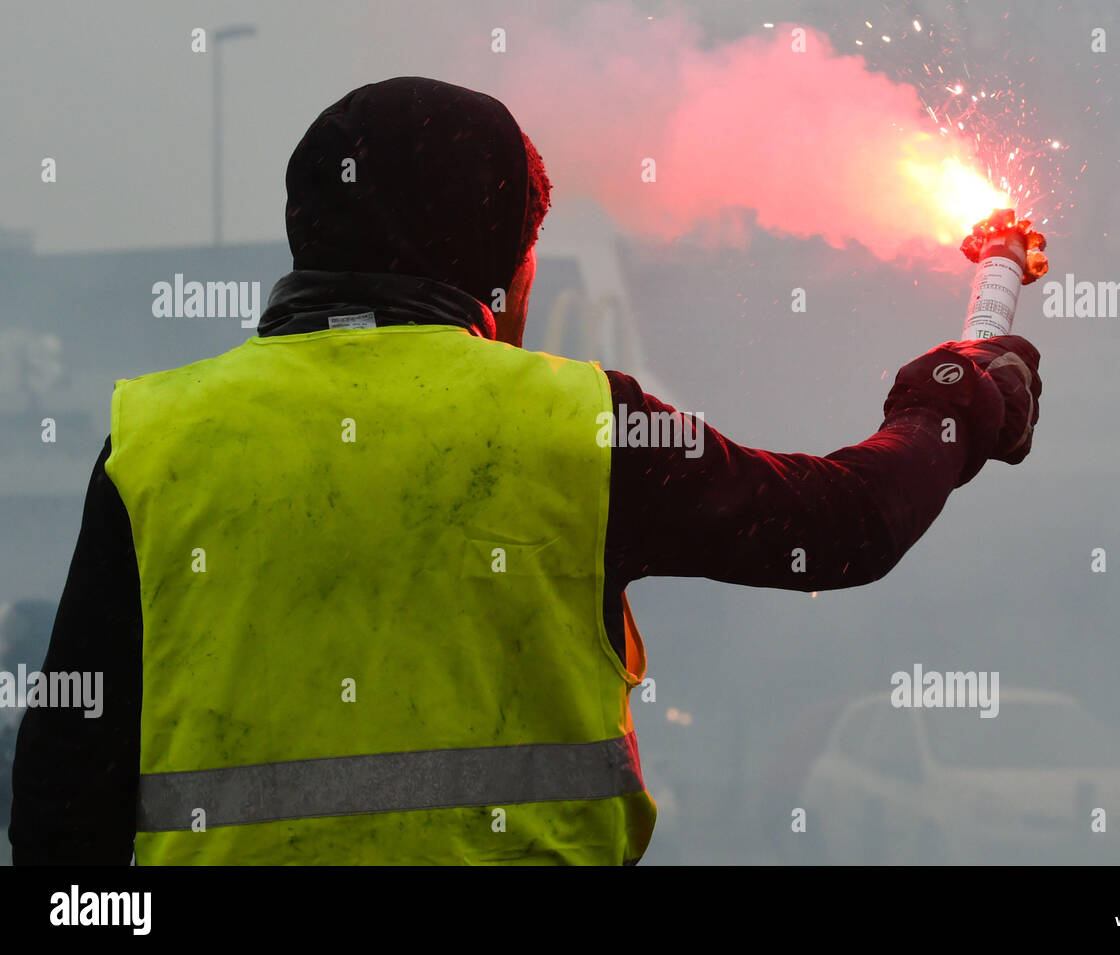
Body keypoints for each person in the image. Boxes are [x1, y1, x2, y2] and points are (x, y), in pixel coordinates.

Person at [8, 76, 1042, 865]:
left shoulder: (154, 438)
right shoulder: (581, 424)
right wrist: (947, 403)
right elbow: (843, 525)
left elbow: (60, 798)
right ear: (506, 269)